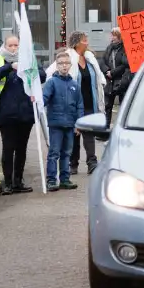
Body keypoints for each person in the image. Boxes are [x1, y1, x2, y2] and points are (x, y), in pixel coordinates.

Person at [0, 35, 45, 195]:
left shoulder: (29, 59)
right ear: (5, 46)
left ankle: (18, 181)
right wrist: (9, 67)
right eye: (10, 45)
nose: (13, 48)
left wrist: (29, 69)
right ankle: (8, 182)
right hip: (6, 112)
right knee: (8, 148)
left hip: (25, 111)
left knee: (21, 148)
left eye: (16, 45)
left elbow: (42, 75)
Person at [42, 51, 84, 191]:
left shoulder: (74, 84)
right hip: (56, 124)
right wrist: (38, 100)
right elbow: (44, 99)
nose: (64, 66)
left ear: (71, 65)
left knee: (67, 153)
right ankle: (51, 179)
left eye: (66, 63)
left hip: (70, 123)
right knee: (54, 152)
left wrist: (79, 123)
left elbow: (79, 105)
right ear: (56, 65)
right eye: (61, 64)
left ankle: (65, 179)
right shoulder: (52, 82)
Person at [65, 31, 106, 175]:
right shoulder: (68, 58)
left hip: (90, 102)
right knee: (74, 135)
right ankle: (73, 163)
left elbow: (98, 79)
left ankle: (92, 163)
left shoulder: (90, 59)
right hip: (74, 104)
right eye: (84, 40)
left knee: (89, 134)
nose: (87, 42)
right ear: (76, 43)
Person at [101, 27, 132, 127]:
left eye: (114, 35)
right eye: (112, 35)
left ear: (120, 37)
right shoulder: (109, 47)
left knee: (123, 105)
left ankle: (122, 127)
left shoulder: (126, 48)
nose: (112, 38)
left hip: (122, 80)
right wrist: (106, 71)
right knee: (107, 106)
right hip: (109, 81)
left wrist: (113, 72)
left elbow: (125, 65)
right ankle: (105, 129)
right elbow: (102, 61)